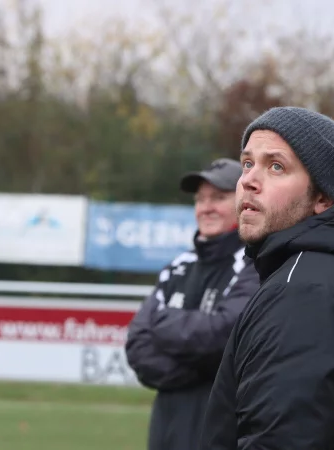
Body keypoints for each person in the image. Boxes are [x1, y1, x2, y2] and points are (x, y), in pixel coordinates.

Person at [200, 107, 334, 449]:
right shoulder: (327, 276)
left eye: (276, 166)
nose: (248, 181)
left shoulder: (304, 292)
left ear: (323, 197)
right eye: (247, 163)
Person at [125, 158, 260, 450]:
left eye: (219, 198)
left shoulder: (256, 265)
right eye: (200, 199)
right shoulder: (177, 267)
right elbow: (138, 346)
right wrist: (199, 370)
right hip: (167, 430)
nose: (206, 207)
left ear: (244, 202)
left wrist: (164, 325)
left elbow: (227, 334)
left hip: (222, 431)